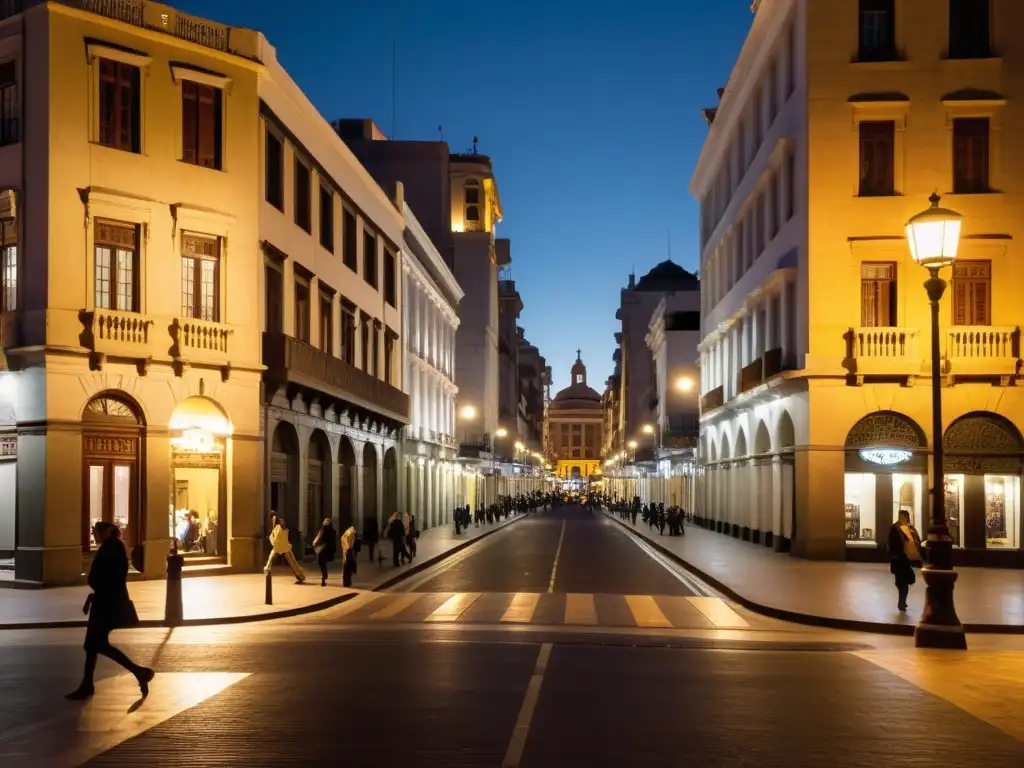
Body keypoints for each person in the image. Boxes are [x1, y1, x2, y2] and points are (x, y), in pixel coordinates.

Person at [66, 522, 154, 701]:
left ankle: (138, 671)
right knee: (93, 644)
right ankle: (88, 684)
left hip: (106, 604)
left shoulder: (110, 550)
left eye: (96, 532)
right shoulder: (112, 548)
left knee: (95, 644)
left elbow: (104, 577)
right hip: (105, 602)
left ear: (106, 532)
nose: (95, 535)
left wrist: (95, 587)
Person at [888, 508, 923, 612]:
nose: (901, 519)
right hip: (899, 559)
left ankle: (902, 601)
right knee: (902, 582)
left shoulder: (910, 528)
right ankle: (902, 602)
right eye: (900, 517)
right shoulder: (895, 528)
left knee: (905, 581)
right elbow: (892, 543)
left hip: (906, 559)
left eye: (903, 517)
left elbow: (916, 540)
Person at [264, 513, 305, 583]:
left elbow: (276, 538)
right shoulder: (278, 527)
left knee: (271, 559)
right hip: (284, 546)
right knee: (292, 562)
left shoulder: (278, 526)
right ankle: (300, 576)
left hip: (280, 547)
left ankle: (267, 571)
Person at [312, 518, 337, 587]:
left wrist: (316, 543)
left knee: (321, 562)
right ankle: (324, 576)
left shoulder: (325, 530)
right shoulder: (328, 530)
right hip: (325, 549)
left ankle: (324, 577)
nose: (324, 522)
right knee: (322, 562)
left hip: (324, 549)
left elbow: (320, 538)